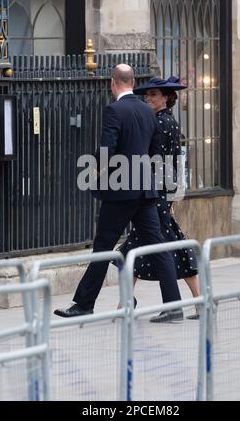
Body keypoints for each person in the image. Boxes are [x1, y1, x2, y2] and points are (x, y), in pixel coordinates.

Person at [54, 64, 183, 323]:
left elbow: (107, 149)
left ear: (114, 83)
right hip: (144, 191)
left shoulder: (114, 110)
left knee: (103, 247)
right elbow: (155, 152)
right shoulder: (148, 113)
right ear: (133, 82)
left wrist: (98, 174)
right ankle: (174, 306)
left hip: (121, 191)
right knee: (158, 246)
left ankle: (83, 304)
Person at [117, 76, 200, 319]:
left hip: (154, 195)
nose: (148, 98)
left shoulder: (160, 123)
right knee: (135, 248)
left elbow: (158, 161)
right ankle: (125, 304)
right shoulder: (167, 121)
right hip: (158, 193)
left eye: (153, 94)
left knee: (168, 248)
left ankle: (197, 301)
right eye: (147, 95)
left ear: (166, 97)